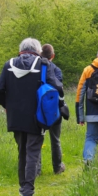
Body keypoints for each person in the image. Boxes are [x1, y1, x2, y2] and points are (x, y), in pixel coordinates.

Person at [0, 37, 63, 196]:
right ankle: (27, 193)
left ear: (20, 50)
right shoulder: (43, 65)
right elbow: (57, 88)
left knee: (22, 151)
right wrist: (57, 108)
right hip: (36, 116)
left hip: (15, 116)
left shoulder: (8, 65)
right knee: (32, 152)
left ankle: (23, 188)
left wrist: (7, 105)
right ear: (37, 51)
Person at [38, 44, 66, 175]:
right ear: (52, 56)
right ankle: (57, 167)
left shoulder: (35, 67)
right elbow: (59, 89)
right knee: (55, 139)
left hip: (38, 108)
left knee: (37, 139)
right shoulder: (57, 70)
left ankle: (36, 170)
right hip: (54, 109)